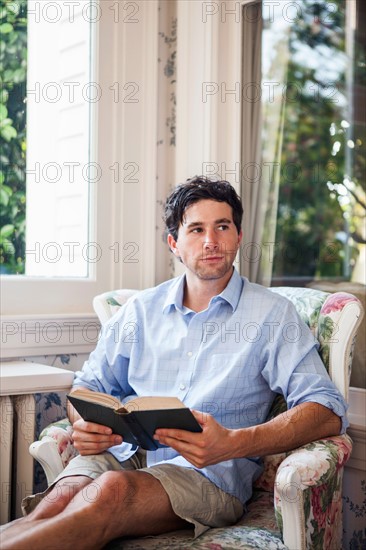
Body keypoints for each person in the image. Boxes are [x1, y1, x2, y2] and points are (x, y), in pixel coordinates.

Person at [2, 176, 347, 550]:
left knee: (111, 493)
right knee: (58, 499)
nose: (211, 241)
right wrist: (83, 422)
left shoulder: (273, 316)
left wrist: (232, 443)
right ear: (174, 244)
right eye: (196, 229)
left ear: (239, 236)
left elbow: (327, 410)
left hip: (210, 476)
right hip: (126, 455)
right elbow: (86, 387)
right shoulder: (140, 310)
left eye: (222, 227)